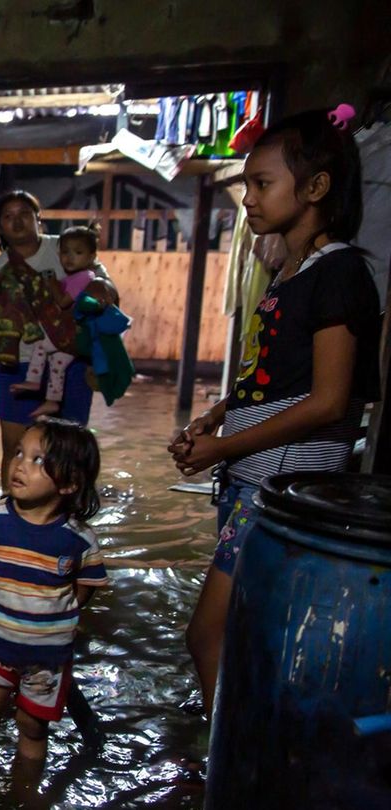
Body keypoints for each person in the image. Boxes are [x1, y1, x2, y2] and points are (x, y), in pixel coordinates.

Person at [174, 107, 382, 717]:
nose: (248, 199)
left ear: (315, 188)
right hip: (252, 483)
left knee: (206, 634)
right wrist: (220, 414)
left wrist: (224, 447)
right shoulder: (289, 271)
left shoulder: (340, 273)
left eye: (262, 184)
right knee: (244, 632)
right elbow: (275, 375)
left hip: (279, 491)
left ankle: (225, 775)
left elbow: (329, 401)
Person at [0, 419, 108, 799]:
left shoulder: (77, 539)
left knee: (34, 729)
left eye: (38, 460)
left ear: (69, 484)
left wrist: (53, 614)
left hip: (47, 661)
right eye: (19, 453)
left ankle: (25, 795)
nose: (19, 464)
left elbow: (85, 585)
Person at [0, 192, 119, 492]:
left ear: (38, 218)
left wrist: (101, 362)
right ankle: (11, 508)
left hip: (70, 361)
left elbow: (103, 284)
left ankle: (70, 511)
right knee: (15, 447)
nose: (17, 220)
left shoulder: (65, 249)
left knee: (70, 448)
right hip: (17, 365)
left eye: (24, 213)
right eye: (8, 216)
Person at [9, 225, 102, 419]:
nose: (69, 257)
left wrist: (51, 283)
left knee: (41, 345)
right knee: (57, 365)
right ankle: (52, 401)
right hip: (71, 337)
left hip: (69, 334)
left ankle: (33, 380)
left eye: (78, 252)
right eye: (65, 252)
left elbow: (63, 302)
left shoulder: (84, 277)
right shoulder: (76, 276)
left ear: (92, 256)